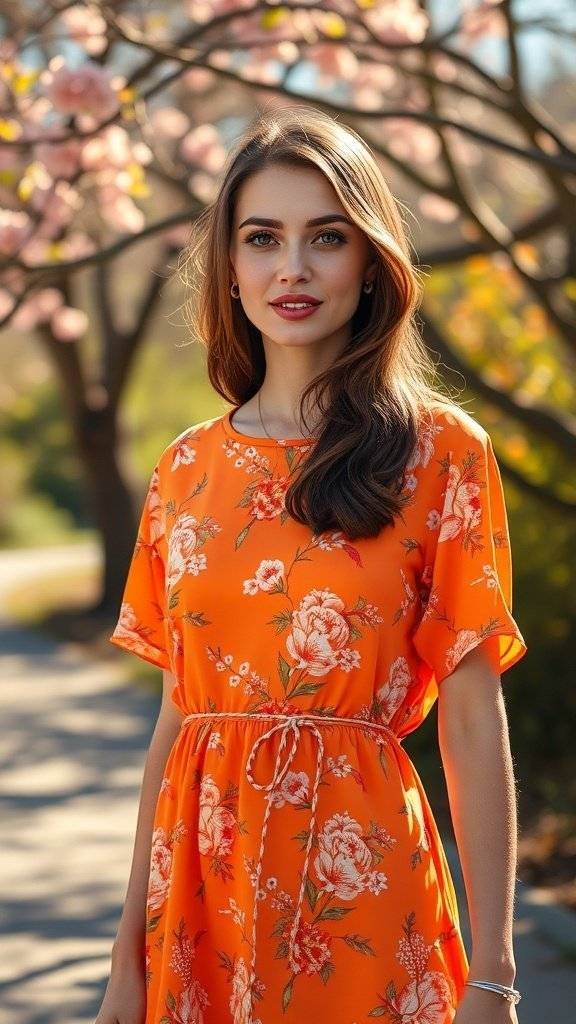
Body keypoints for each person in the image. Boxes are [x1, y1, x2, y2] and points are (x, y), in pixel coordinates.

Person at [97, 105, 527, 1024]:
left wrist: (493, 974)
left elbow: (472, 717)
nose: (291, 267)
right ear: (231, 267)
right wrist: (126, 962)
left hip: (362, 887)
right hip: (198, 900)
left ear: (371, 260)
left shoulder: (442, 455)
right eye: (263, 238)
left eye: (326, 237)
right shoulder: (184, 469)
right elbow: (177, 719)